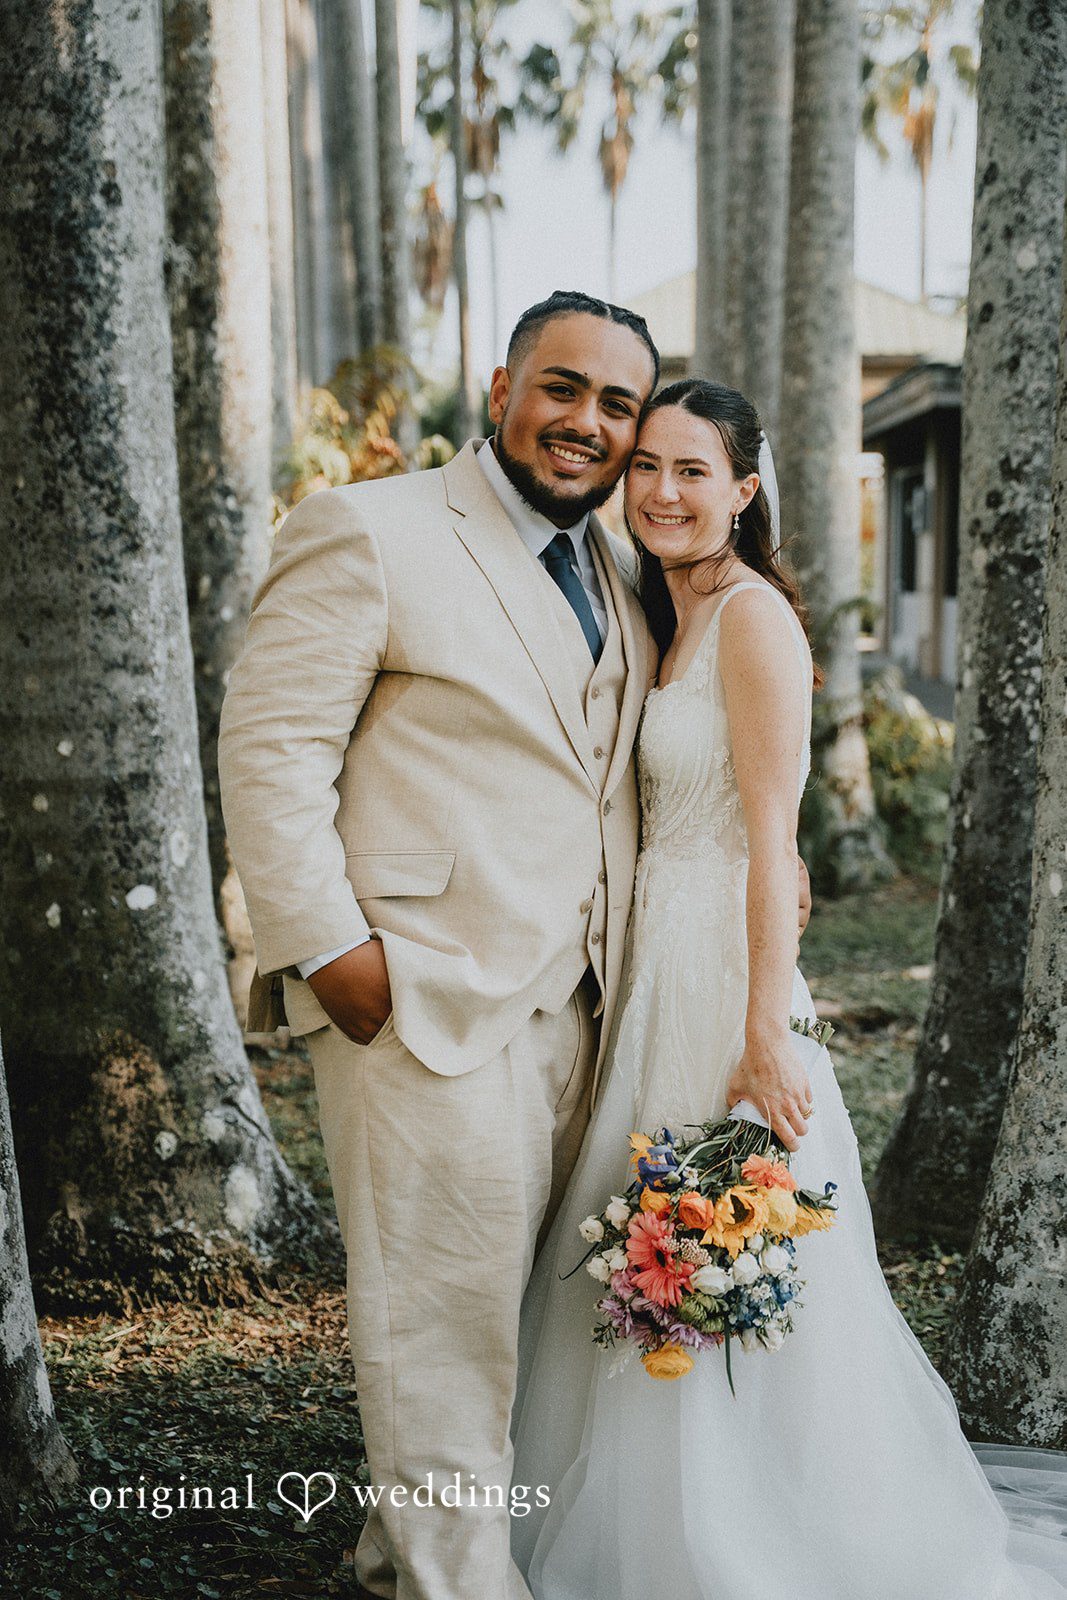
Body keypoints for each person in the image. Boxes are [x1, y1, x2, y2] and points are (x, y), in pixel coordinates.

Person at [511, 379, 1067, 1600]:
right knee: (636, 1234)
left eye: (691, 471)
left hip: (725, 973)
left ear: (743, 491)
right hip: (657, 960)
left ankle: (736, 1540)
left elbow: (770, 837)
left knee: (721, 1234)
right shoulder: (663, 606)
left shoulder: (751, 618)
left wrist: (767, 1030)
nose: (659, 490)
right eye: (644, 466)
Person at [220, 290, 668, 1600]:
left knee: (523, 1320)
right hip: (414, 995)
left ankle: (395, 1553)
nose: (584, 422)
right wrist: (330, 952)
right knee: (439, 1331)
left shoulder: (620, 568)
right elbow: (270, 752)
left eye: (616, 403)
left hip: (582, 1001)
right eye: (561, 387)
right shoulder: (368, 529)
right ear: (500, 389)